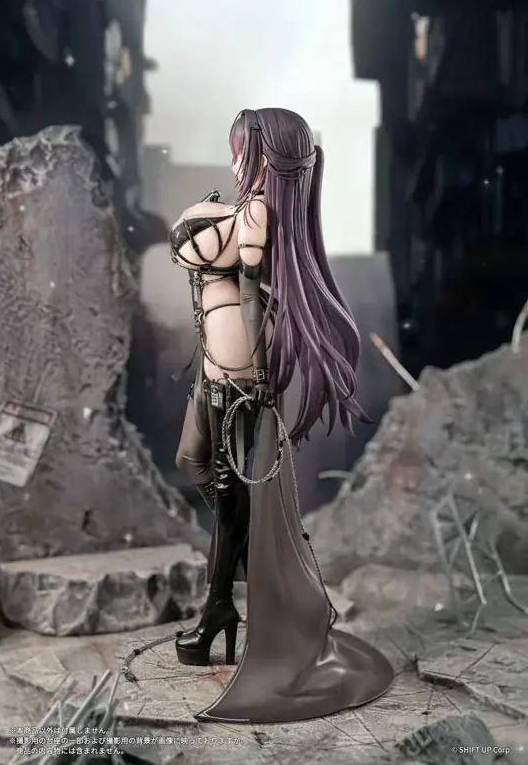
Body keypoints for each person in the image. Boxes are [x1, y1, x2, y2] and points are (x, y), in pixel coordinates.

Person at [169, 108, 394, 723]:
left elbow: (243, 290)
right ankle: (246, 577)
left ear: (264, 155)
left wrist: (264, 378)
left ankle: (219, 608)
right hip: (212, 370)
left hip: (239, 379)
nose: (235, 160)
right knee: (195, 465)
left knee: (228, 494)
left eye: (242, 150)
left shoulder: (257, 214)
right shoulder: (246, 208)